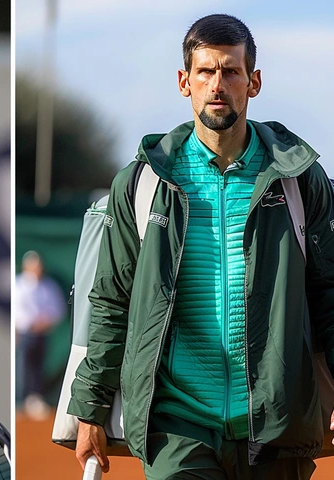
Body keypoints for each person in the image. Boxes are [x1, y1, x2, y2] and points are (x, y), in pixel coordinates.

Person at [67, 13, 334, 480]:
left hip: (277, 422)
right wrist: (89, 408)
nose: (217, 84)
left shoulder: (300, 178)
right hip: (178, 424)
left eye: (231, 71)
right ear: (183, 81)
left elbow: (329, 294)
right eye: (205, 71)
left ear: (253, 82)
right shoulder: (142, 181)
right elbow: (112, 300)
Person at [15, 250, 65, 420]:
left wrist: (45, 322)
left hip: (42, 335)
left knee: (38, 368)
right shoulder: (18, 285)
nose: (36, 268)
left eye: (38, 265)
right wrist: (27, 325)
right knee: (23, 367)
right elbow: (16, 311)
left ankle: (35, 399)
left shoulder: (49, 286)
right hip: (24, 334)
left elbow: (58, 310)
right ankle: (22, 401)